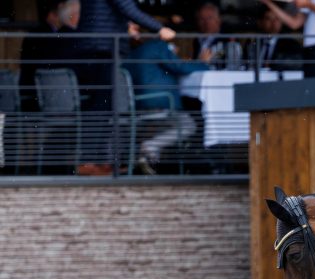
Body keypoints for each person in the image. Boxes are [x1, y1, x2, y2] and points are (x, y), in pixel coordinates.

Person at [72, 0, 176, 175]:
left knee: (100, 106)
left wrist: (124, 26)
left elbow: (109, 11)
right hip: (103, 49)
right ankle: (88, 162)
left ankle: (94, 162)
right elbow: (126, 7)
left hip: (94, 47)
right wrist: (159, 28)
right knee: (100, 108)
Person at [125, 36, 211, 173]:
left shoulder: (133, 52)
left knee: (164, 128)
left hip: (139, 104)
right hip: (160, 102)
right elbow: (179, 66)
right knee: (189, 126)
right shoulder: (157, 46)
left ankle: (149, 165)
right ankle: (151, 147)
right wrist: (203, 63)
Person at [19, 0, 80, 112]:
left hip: (36, 94)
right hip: (50, 95)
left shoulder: (34, 35)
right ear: (52, 14)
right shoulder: (53, 36)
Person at [258, 0, 315, 78]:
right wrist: (269, 3)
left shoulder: (310, 3)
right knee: (311, 87)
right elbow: (294, 23)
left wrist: (308, 4)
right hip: (310, 51)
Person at [246, 4, 302, 71]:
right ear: (260, 22)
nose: (273, 23)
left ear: (282, 22)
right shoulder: (253, 43)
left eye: (277, 19)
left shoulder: (291, 45)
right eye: (268, 19)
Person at [193, 2, 235, 69]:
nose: (206, 22)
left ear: (218, 20)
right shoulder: (197, 40)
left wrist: (210, 57)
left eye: (209, 18)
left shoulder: (226, 38)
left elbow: (228, 56)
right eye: (202, 19)